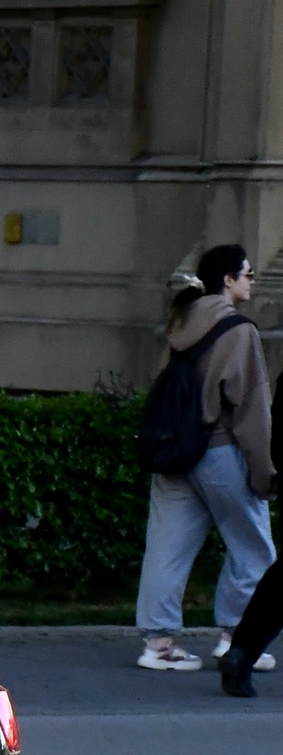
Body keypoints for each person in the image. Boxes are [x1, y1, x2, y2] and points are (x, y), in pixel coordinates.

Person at [137, 244, 275, 672]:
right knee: (252, 548)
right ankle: (237, 639)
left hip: (175, 451)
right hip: (219, 451)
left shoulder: (180, 324)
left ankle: (158, 645)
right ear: (228, 281)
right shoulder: (239, 332)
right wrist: (265, 470)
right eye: (247, 274)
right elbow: (252, 409)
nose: (252, 280)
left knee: (166, 548)